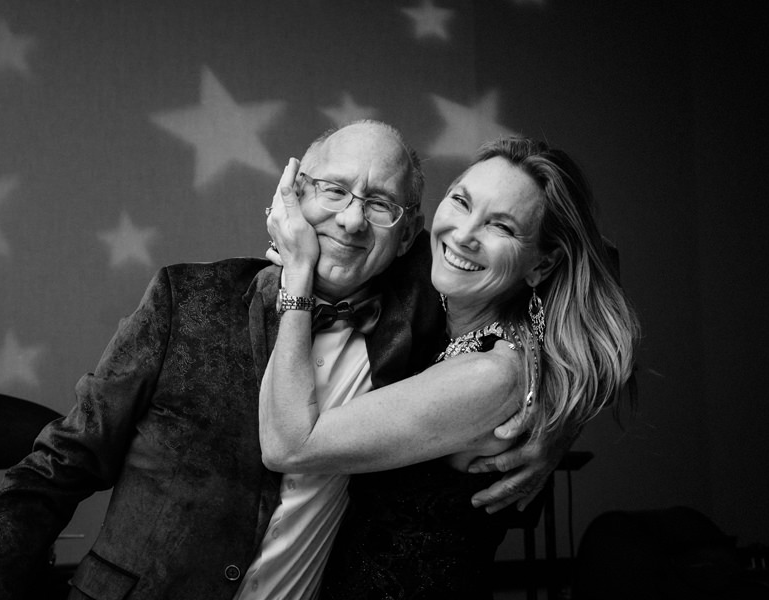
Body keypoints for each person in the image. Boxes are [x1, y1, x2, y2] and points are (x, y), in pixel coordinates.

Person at [0, 122, 569, 600]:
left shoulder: (434, 317)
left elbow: (569, 285)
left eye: (380, 204)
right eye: (333, 190)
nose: (351, 219)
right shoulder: (187, 299)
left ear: (407, 235)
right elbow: (63, 460)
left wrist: (555, 425)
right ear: (291, 194)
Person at [261, 136, 640, 598]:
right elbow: (605, 254)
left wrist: (297, 276)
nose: (463, 235)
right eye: (460, 201)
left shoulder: (492, 374)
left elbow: (289, 446)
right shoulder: (438, 288)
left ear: (542, 265)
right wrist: (562, 429)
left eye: (501, 226)